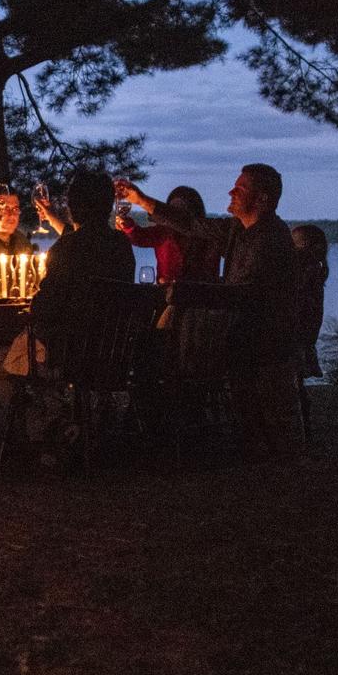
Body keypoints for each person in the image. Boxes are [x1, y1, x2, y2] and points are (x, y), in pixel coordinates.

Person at [115, 164, 302, 459]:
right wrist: (141, 200)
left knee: (149, 352)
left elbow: (245, 295)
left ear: (262, 200)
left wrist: (183, 293)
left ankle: (160, 436)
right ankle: (168, 427)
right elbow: (190, 224)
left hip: (254, 340)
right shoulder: (238, 231)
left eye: (239, 189)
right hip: (234, 332)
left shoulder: (270, 241)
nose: (230, 192)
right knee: (152, 347)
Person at [0, 170, 133, 413]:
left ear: (72, 207)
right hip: (111, 357)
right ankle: (66, 418)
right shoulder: (122, 247)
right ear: (109, 206)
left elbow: (43, 310)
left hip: (68, 358)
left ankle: (45, 420)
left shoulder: (68, 249)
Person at [116, 185, 220, 284]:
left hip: (198, 296)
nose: (175, 216)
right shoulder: (163, 232)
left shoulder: (208, 237)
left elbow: (211, 274)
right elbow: (139, 237)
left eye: (181, 210)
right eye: (172, 210)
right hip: (165, 294)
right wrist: (126, 225)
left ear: (194, 212)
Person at [291, 224, 329, 379]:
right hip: (307, 335)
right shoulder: (316, 271)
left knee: (294, 374)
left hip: (298, 334)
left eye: (293, 243)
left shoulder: (306, 273)